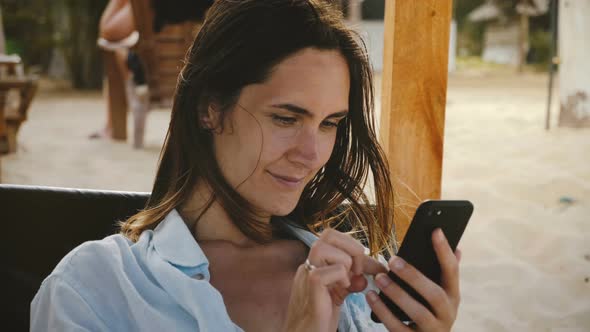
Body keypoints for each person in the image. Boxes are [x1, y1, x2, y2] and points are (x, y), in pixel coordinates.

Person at [31, 1, 462, 331]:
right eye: (286, 118)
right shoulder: (95, 287)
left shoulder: (355, 286)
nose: (311, 154)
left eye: (329, 124)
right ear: (211, 110)